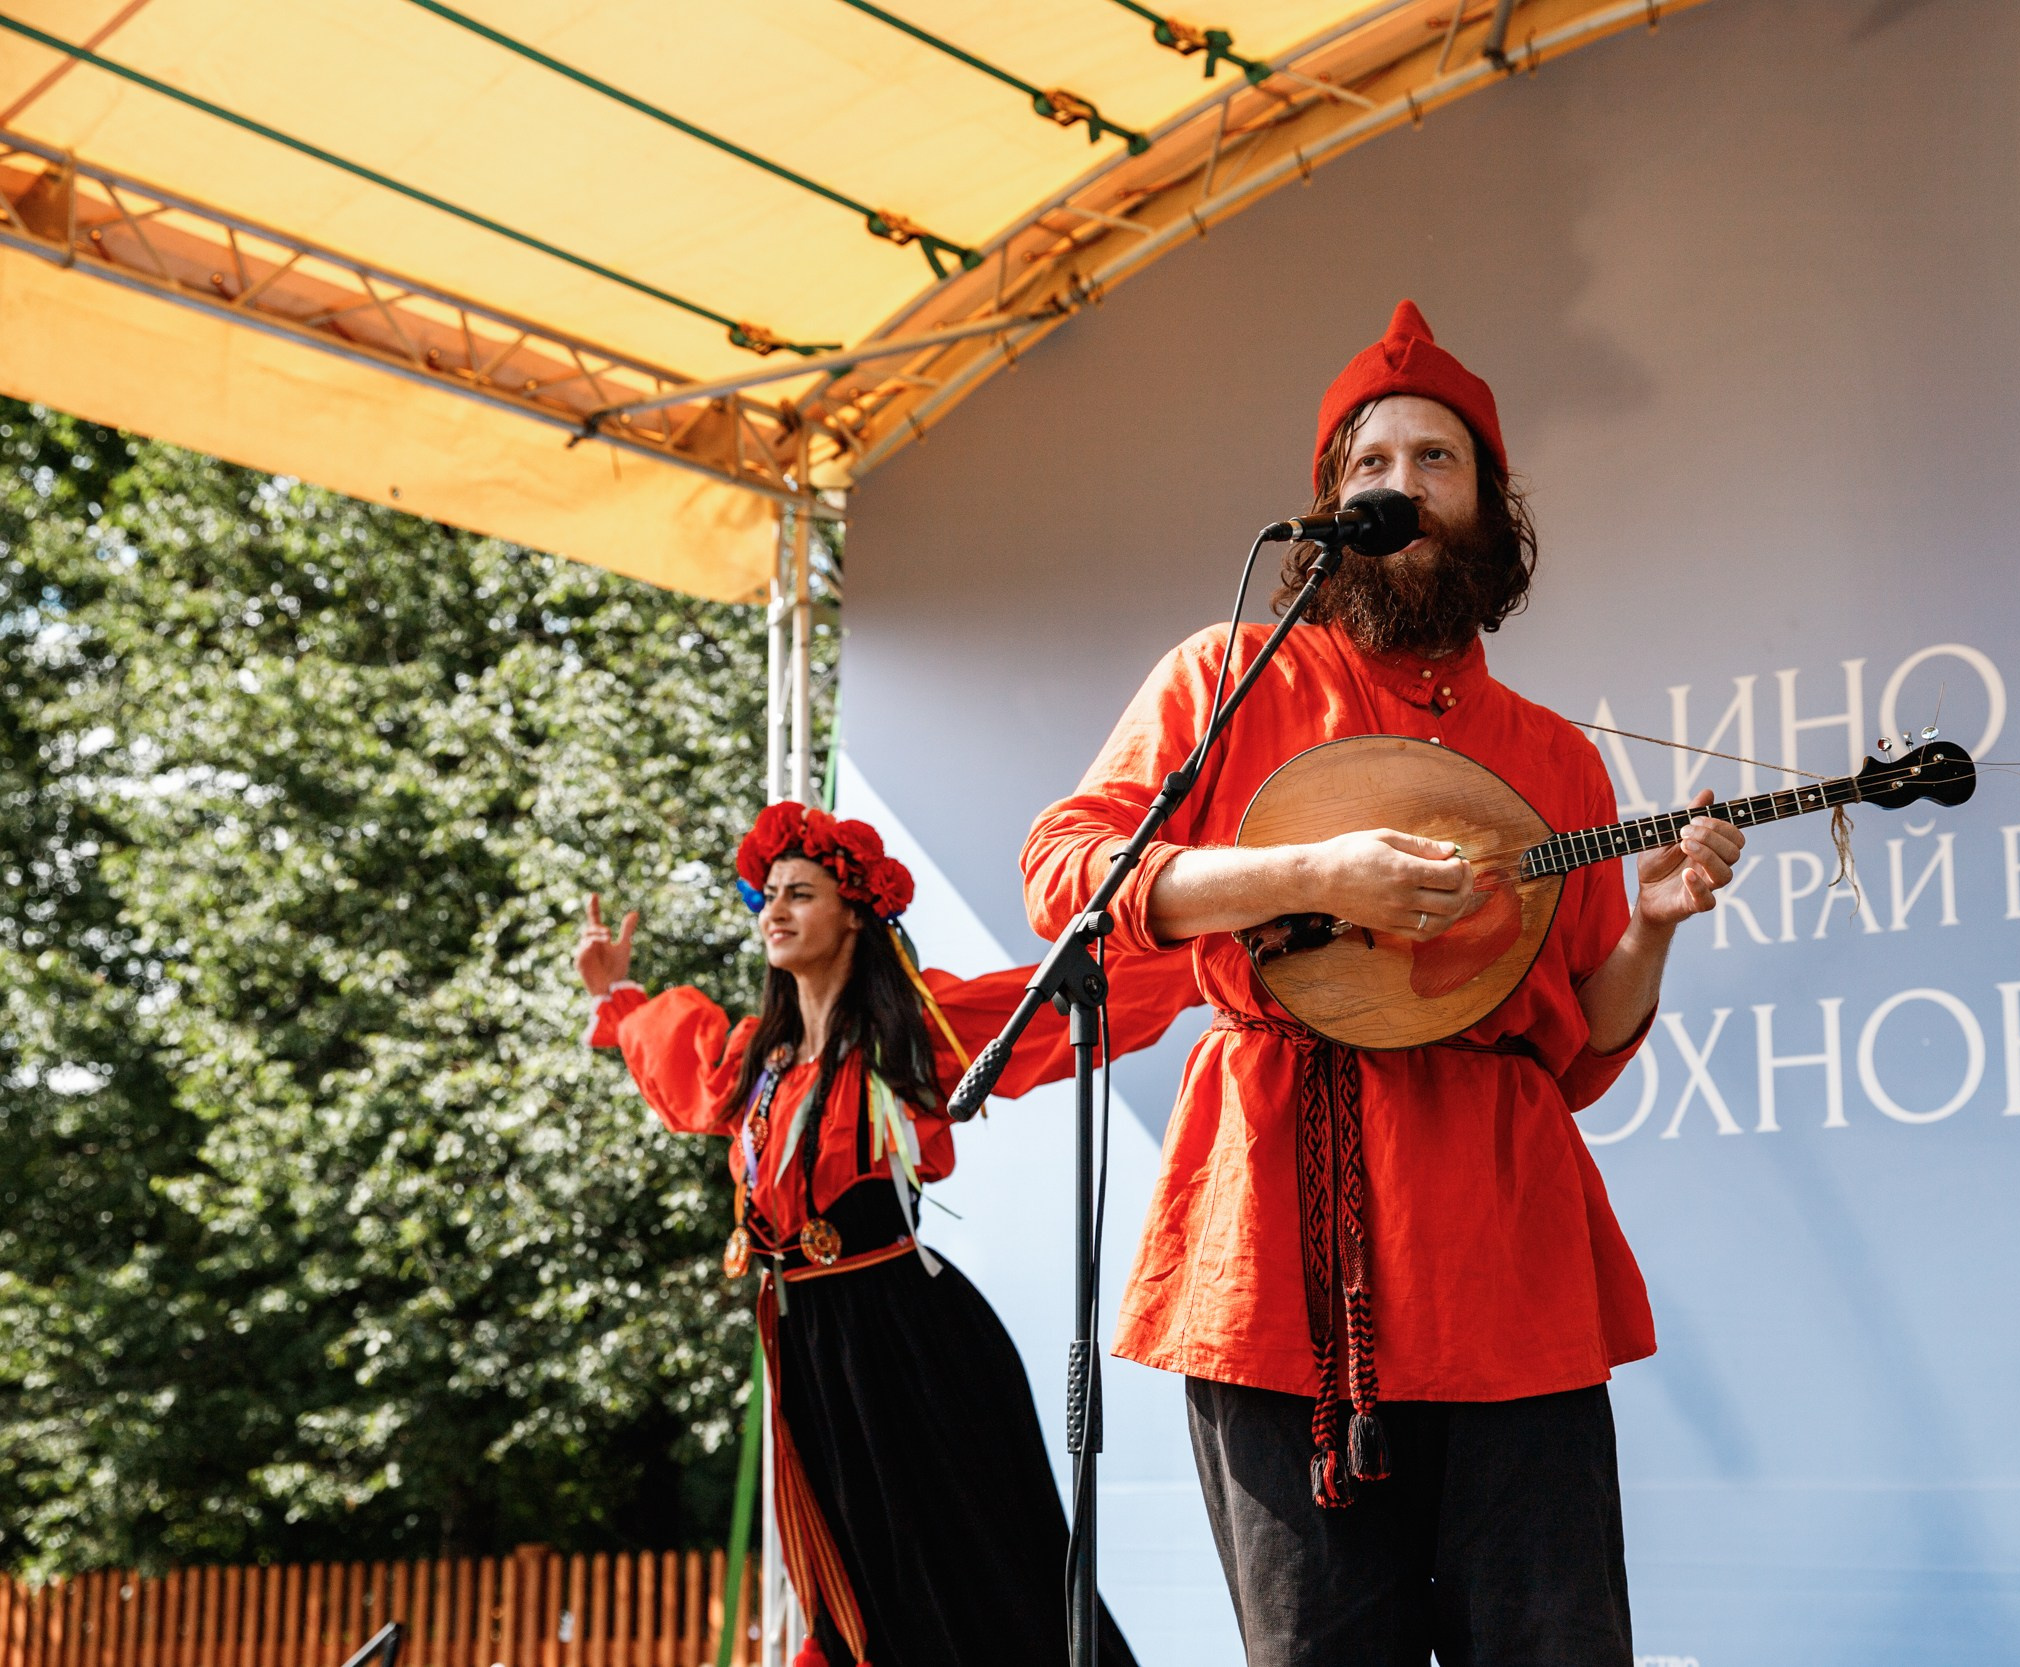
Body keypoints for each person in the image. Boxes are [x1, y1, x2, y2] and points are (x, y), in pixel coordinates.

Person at [1021, 300, 1747, 1666]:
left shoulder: (1554, 753)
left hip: (1504, 1262)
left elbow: (1583, 1047)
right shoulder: (1225, 677)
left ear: (1489, 510)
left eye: (1435, 461)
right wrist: (1310, 876)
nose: (1399, 486)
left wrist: (1651, 926)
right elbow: (1068, 868)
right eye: (1370, 465)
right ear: (1326, 507)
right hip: (1278, 1254)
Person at [577, 802, 1194, 1667]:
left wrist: (1216, 937)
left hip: (909, 1337)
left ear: (857, 911)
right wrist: (616, 994)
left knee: (979, 1564)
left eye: (802, 893)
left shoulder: (911, 1028)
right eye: (769, 895)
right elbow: (681, 1062)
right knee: (861, 1576)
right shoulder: (763, 1060)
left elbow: (1054, 1009)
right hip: (808, 1341)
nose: (776, 910)